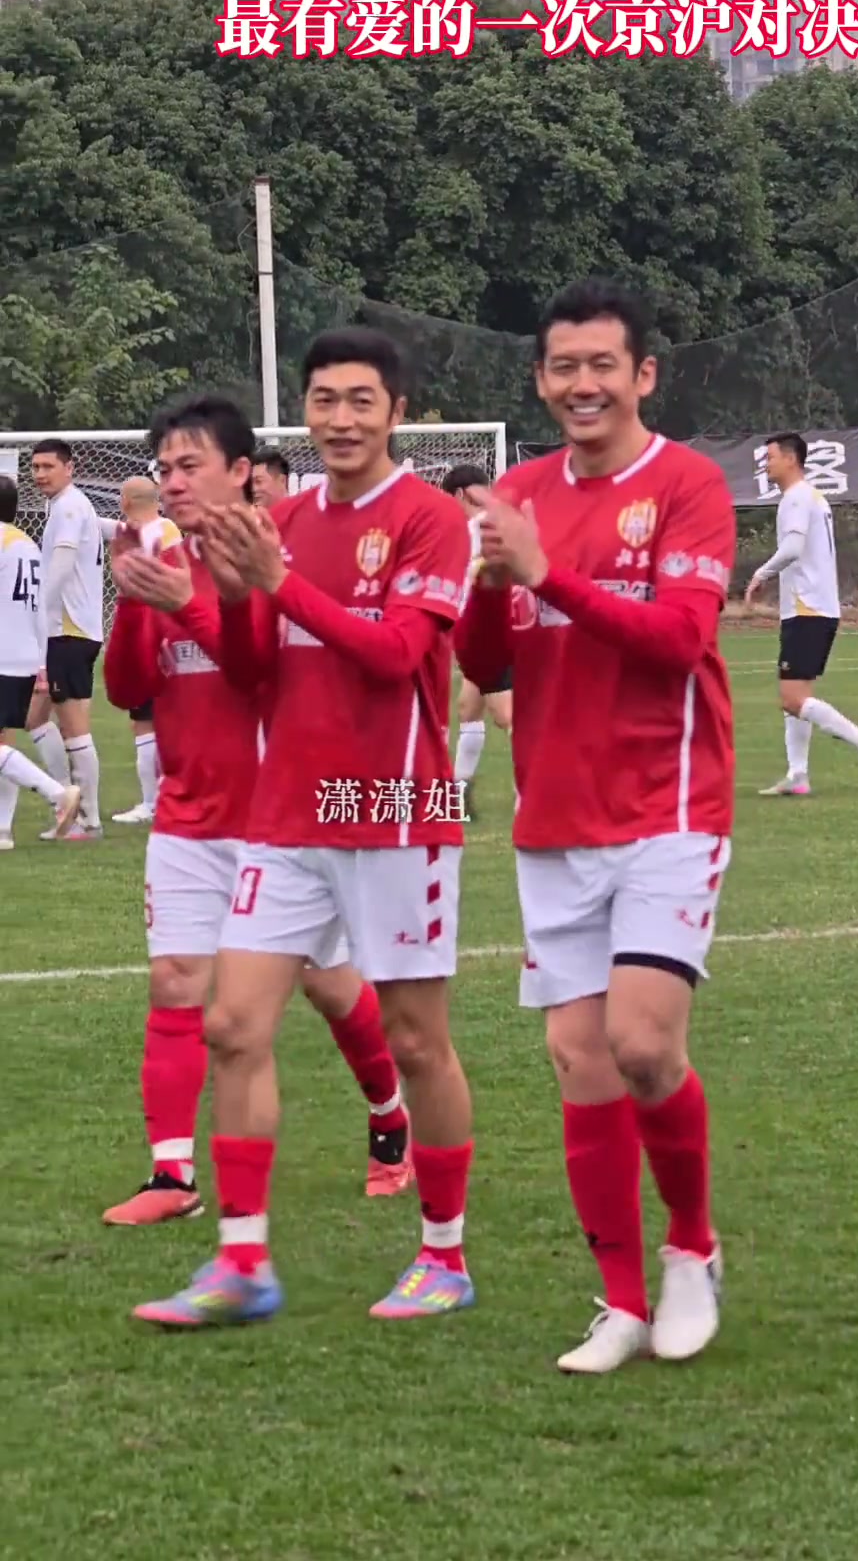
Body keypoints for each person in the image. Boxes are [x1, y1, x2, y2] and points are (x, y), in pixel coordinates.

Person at [133, 331, 474, 1329]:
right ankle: (242, 1263)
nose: (341, 418)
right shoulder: (277, 519)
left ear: (396, 412)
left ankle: (444, 1255)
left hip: (396, 807)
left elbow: (394, 655)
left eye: (361, 400)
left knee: (418, 1043)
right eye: (325, 400)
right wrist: (215, 598)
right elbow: (251, 670)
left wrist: (278, 582)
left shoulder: (427, 520)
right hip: (286, 810)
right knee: (232, 1026)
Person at [456, 278, 734, 1376]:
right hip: (555, 816)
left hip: (668, 804)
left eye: (602, 366)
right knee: (580, 1062)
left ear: (641, 375)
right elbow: (485, 664)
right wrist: (493, 582)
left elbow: (677, 640)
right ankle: (618, 1302)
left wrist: (548, 572)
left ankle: (691, 1249)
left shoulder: (687, 484)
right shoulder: (520, 493)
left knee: (644, 1045)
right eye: (563, 367)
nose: (583, 384)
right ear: (540, 380)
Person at [101, 394, 412, 1230]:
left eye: (190, 465)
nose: (172, 483)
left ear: (242, 472)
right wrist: (134, 602)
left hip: (283, 821)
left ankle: (390, 1116)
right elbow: (128, 690)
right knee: (175, 979)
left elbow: (259, 674)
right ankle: (172, 1175)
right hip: (188, 815)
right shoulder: (164, 563)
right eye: (164, 468)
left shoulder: (283, 563)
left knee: (330, 987)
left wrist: (181, 602)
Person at [745, 431, 858, 796]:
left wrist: (761, 574)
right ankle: (798, 775)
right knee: (796, 697)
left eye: (770, 457)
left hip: (807, 608)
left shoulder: (796, 497)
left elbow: (793, 548)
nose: (766, 464)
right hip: (814, 607)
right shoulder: (813, 497)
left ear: (791, 459)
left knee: (792, 699)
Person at [26, 437, 105, 839]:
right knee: (34, 718)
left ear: (69, 468)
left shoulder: (69, 506)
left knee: (75, 728)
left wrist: (36, 615)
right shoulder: (67, 505)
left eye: (48, 467)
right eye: (35, 467)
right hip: (68, 632)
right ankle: (66, 801)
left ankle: (87, 820)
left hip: (69, 631)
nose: (40, 474)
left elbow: (61, 565)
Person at [0, 476, 82, 847]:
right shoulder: (26, 544)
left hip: (3, 652)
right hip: (22, 655)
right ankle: (3, 831)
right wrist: (40, 661)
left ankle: (58, 794)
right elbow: (38, 609)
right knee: (3, 743)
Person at [105, 477, 183, 828]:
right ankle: (159, 798)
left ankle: (152, 802)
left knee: (145, 722)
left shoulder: (146, 536)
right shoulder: (167, 531)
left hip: (148, 635)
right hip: (161, 633)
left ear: (125, 501)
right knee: (153, 719)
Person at [441, 463, 512, 792]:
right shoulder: (494, 524)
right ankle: (458, 789)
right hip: (480, 634)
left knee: (506, 715)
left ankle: (538, 784)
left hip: (491, 635)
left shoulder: (480, 528)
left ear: (459, 495)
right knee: (468, 708)